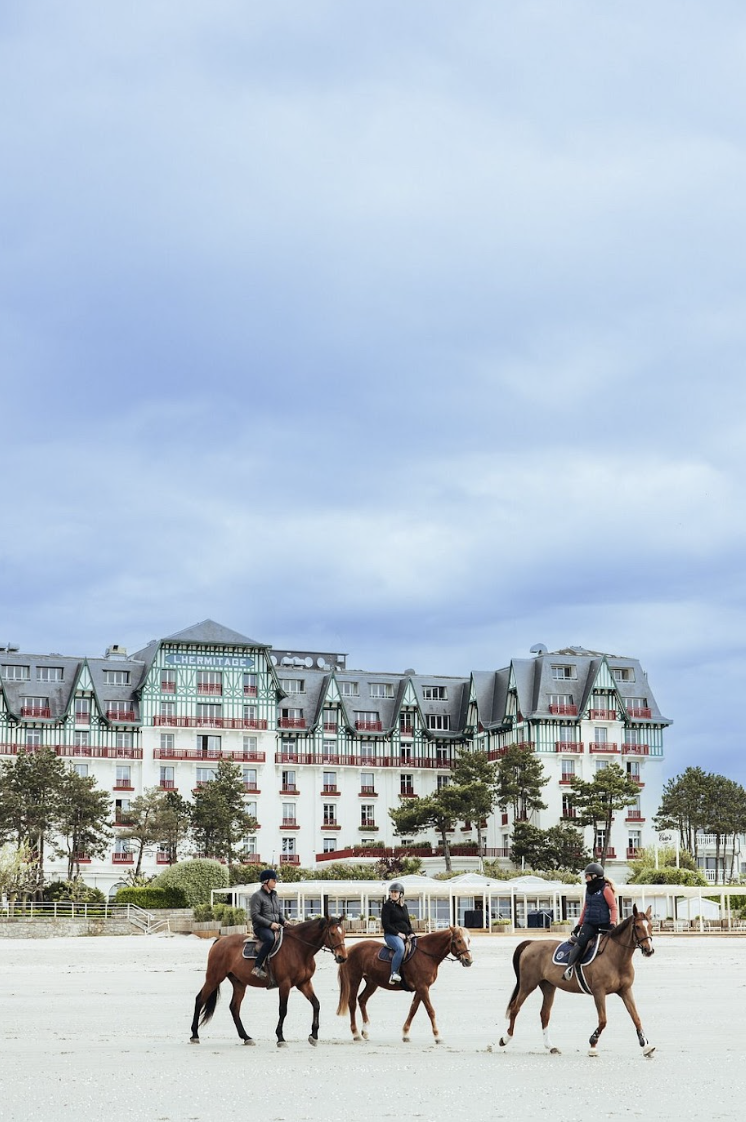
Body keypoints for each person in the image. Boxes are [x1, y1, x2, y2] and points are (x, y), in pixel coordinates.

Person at [563, 862, 618, 981]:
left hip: (604, 924)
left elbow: (613, 907)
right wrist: (579, 925)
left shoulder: (606, 889)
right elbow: (585, 909)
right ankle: (569, 968)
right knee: (581, 943)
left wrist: (612, 923)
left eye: (587, 876)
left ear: (594, 876)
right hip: (589, 924)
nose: (585, 878)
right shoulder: (588, 890)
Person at [249, 869, 285, 978]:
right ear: (266, 881)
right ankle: (257, 967)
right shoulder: (257, 896)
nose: (275, 882)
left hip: (275, 926)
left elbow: (279, 912)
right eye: (273, 880)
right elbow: (255, 915)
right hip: (261, 927)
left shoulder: (275, 895)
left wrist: (284, 921)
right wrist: (270, 924)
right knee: (270, 939)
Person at [381, 881, 413, 985]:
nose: (394, 894)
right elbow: (385, 924)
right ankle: (394, 973)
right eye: (392, 892)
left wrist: (411, 933)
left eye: (396, 892)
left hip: (405, 935)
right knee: (400, 948)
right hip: (391, 935)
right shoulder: (387, 906)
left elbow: (407, 922)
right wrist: (398, 933)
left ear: (401, 894)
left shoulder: (404, 907)